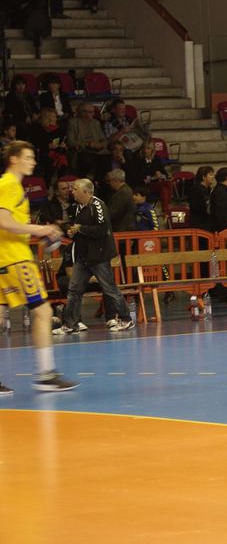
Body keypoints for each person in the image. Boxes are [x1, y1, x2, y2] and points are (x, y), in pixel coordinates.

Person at [0, 144, 78, 394]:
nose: (33, 161)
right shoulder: (9, 184)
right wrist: (41, 229)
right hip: (16, 260)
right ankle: (46, 374)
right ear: (14, 159)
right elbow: (2, 220)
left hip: (5, 258)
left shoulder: (8, 185)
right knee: (43, 311)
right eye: (28, 157)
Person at [56, 176, 135, 333]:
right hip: (83, 256)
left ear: (86, 191)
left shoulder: (98, 205)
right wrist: (72, 232)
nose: (72, 191)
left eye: (75, 189)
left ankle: (126, 319)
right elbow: (78, 228)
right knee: (74, 290)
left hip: (98, 256)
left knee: (110, 289)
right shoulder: (78, 207)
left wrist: (80, 229)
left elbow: (101, 230)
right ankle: (70, 324)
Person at [104, 168, 135, 233]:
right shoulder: (125, 191)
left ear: (115, 180)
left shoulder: (123, 192)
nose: (109, 183)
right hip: (123, 229)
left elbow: (113, 212)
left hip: (123, 230)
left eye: (110, 181)